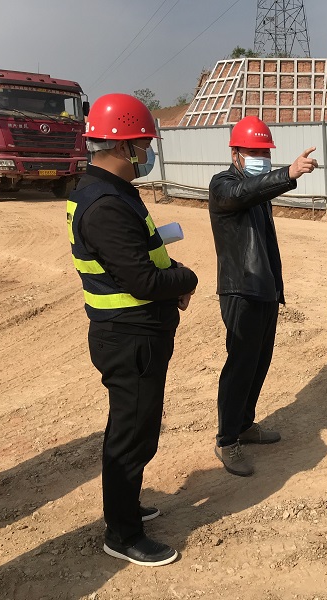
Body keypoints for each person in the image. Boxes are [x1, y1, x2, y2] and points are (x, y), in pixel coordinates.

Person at [68, 93, 199, 567]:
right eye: (145, 144)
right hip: (129, 339)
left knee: (133, 428)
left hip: (132, 333)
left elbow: (139, 258)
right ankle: (123, 534)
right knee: (132, 435)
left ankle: (125, 506)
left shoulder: (107, 190)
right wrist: (186, 279)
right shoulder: (105, 203)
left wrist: (170, 272)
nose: (149, 153)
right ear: (124, 146)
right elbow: (142, 279)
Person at [208, 115, 317, 477]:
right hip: (240, 289)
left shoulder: (260, 191)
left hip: (265, 288)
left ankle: (244, 424)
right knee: (240, 365)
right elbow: (243, 193)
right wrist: (288, 173)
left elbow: (257, 194)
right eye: (253, 152)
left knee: (259, 363)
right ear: (235, 154)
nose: (261, 158)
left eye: (265, 152)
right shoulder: (223, 185)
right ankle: (227, 440)